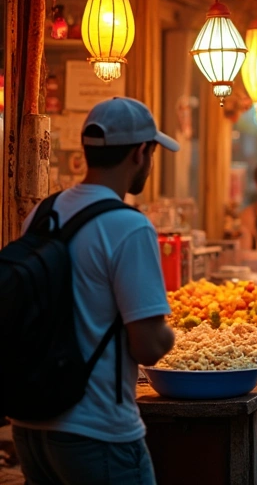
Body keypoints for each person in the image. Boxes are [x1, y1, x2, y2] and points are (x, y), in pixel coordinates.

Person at [11, 97, 178, 484]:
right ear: (140, 153)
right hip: (98, 432)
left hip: (31, 428)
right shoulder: (128, 226)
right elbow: (149, 346)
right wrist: (171, 330)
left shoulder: (43, 213)